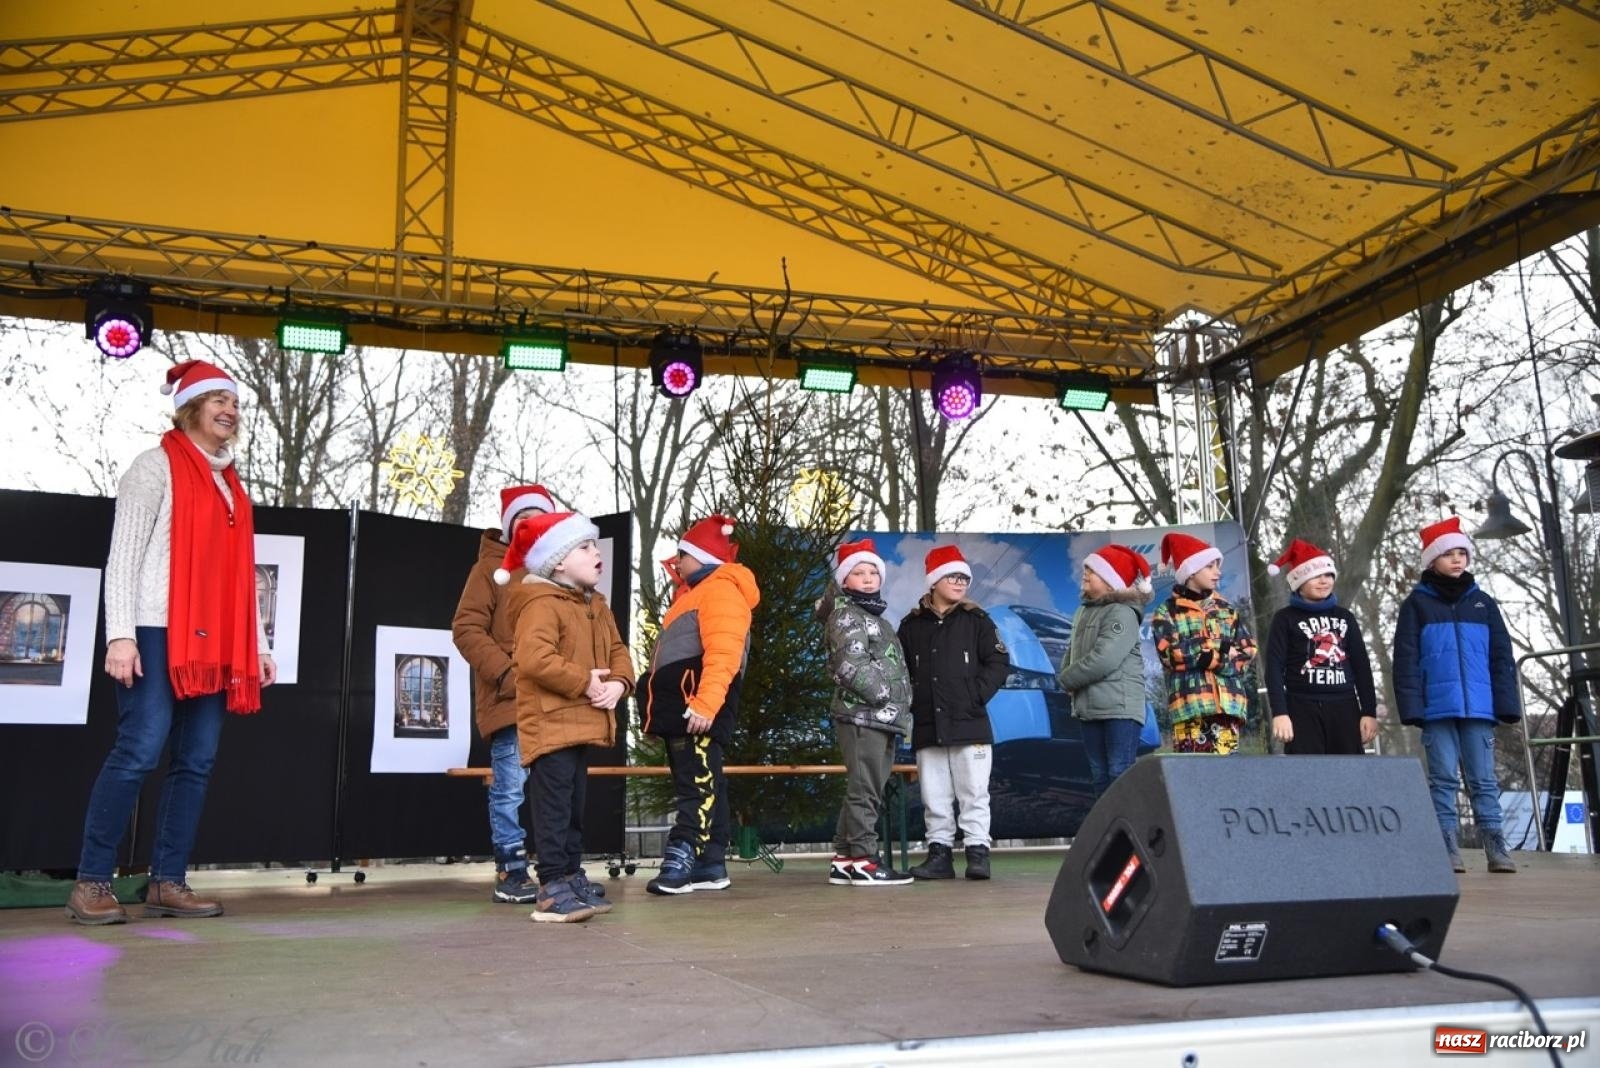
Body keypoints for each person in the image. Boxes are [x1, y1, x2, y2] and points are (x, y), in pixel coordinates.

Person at [69, 360, 277, 926]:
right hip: (156, 629)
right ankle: (91, 881)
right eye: (219, 402)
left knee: (197, 760)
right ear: (191, 408)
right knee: (140, 748)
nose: (231, 412)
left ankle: (168, 881)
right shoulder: (153, 467)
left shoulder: (230, 485)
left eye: (235, 404)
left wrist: (256, 643)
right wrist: (120, 635)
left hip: (215, 638)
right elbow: (125, 557)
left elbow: (240, 575)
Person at [496, 510, 635, 921]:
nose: (597, 552)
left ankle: (570, 875)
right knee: (554, 806)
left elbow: (617, 653)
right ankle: (551, 885)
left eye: (595, 545)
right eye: (585, 546)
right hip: (552, 722)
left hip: (579, 722)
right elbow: (533, 658)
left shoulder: (596, 605)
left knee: (575, 805)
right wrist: (585, 682)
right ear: (558, 561)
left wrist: (619, 684)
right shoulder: (541, 603)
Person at [638, 515, 760, 896]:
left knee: (699, 785)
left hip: (698, 707)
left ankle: (683, 850)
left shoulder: (721, 591)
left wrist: (706, 704)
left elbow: (723, 653)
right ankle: (709, 863)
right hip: (683, 708)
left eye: (682, 554)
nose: (676, 562)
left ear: (702, 556)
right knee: (705, 782)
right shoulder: (693, 595)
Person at [1392, 517, 1519, 874]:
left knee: (1484, 779)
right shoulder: (1416, 606)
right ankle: (1447, 847)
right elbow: (1405, 659)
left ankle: (1496, 847)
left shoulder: (1484, 604)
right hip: (1436, 709)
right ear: (1432, 560)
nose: (1457, 559)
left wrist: (1506, 704)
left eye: (1463, 552)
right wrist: (1413, 708)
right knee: (1443, 778)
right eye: (1449, 553)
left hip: (1480, 708)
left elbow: (1501, 657)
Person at [452, 483, 555, 904]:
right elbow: (466, 628)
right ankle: (510, 869)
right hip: (510, 702)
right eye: (523, 521)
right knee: (510, 788)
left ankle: (556, 868)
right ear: (511, 526)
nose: (531, 528)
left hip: (553, 703)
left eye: (539, 521)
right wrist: (507, 675)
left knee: (553, 787)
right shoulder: (488, 569)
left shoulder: (556, 570)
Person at [898, 546, 1011, 881]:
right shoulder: (911, 626)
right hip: (928, 725)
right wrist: (915, 701)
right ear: (934, 581)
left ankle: (978, 854)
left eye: (965, 578)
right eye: (953, 576)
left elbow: (998, 662)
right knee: (934, 795)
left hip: (970, 724)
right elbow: (900, 671)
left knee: (975, 792)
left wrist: (975, 695)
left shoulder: (977, 621)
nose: (961, 583)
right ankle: (939, 855)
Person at [820, 539, 914, 886]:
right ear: (845, 580)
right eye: (859, 572)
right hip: (863, 715)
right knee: (865, 789)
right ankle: (864, 858)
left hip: (880, 717)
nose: (868, 578)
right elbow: (848, 663)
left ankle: (845, 857)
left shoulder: (874, 617)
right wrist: (884, 694)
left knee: (864, 786)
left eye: (873, 571)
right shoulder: (847, 615)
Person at [1264, 538, 1378, 756]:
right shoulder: (1284, 619)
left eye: (1328, 575)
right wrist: (1280, 712)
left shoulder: (1345, 617)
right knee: (1308, 778)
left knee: (1350, 777)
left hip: (1345, 706)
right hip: (1301, 707)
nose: (1324, 581)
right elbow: (1274, 668)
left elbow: (1362, 667)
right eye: (1315, 576)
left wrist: (1368, 711)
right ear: (1298, 581)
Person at [1058, 544, 1154, 799]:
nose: (1085, 574)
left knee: (1119, 772)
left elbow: (1104, 659)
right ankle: (1109, 833)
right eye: (1086, 569)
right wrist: (1066, 673)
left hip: (1119, 708)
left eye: (1093, 570)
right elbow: (1073, 651)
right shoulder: (1084, 611)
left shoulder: (1122, 612)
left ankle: (1128, 829)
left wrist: (1067, 679)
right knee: (1100, 775)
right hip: (1091, 707)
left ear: (1112, 581)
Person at [1151, 532, 1256, 755]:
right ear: (1190, 571)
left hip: (1228, 707)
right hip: (1189, 708)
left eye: (1217, 566)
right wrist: (1216, 648)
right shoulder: (1166, 611)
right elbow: (1170, 655)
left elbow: (1247, 650)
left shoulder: (1226, 610)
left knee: (1227, 775)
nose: (1218, 572)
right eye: (1210, 566)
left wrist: (1215, 659)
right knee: (1193, 778)